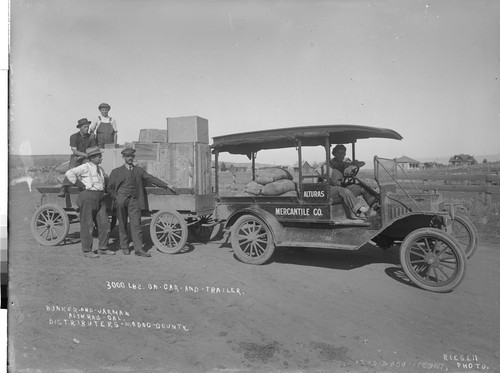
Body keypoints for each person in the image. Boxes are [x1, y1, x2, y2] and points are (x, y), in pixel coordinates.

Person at [108, 148, 176, 257]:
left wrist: (166, 185)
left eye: (132, 156)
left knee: (136, 224)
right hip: (121, 201)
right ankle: (124, 247)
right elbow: (110, 188)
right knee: (122, 224)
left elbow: (151, 178)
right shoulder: (116, 171)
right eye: (127, 156)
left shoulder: (139, 171)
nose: (130, 158)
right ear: (123, 158)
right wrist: (117, 198)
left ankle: (138, 249)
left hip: (134, 201)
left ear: (134, 157)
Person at [65, 147, 113, 258]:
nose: (101, 158)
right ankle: (87, 251)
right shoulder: (85, 167)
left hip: (100, 197)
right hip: (87, 196)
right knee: (87, 224)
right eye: (99, 156)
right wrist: (81, 185)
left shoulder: (100, 169)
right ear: (92, 158)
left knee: (105, 223)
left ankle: (103, 248)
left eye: (100, 156)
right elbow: (69, 173)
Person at [329, 144, 379, 211]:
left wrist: (354, 164)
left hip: (341, 186)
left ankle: (375, 206)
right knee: (345, 191)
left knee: (361, 187)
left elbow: (362, 163)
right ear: (334, 154)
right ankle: (361, 210)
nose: (341, 155)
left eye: (343, 153)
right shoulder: (329, 165)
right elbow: (333, 181)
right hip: (331, 189)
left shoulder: (344, 164)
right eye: (338, 153)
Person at [58, 118, 97, 197]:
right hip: (76, 157)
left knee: (91, 168)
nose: (87, 129)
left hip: (87, 157)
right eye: (85, 127)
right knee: (71, 170)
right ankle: (64, 187)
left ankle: (89, 187)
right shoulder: (74, 137)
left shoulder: (91, 137)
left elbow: (93, 149)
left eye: (88, 127)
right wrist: (81, 155)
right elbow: (74, 151)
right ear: (80, 128)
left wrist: (85, 156)